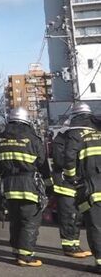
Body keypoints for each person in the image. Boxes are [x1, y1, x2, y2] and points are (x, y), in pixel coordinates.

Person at [0, 107, 51, 267]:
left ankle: (16, 250)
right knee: (30, 221)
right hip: (29, 185)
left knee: (15, 220)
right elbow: (42, 164)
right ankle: (25, 256)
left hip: (8, 187)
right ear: (26, 121)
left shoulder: (0, 139)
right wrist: (49, 186)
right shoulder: (32, 139)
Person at [64, 102, 101, 272]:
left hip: (90, 187)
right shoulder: (99, 130)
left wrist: (72, 178)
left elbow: (69, 159)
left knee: (95, 226)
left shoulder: (75, 133)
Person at [52, 110, 92, 258]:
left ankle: (74, 245)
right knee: (69, 216)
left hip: (77, 182)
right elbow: (60, 161)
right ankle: (70, 247)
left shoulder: (65, 137)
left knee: (76, 216)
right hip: (66, 183)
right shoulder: (63, 138)